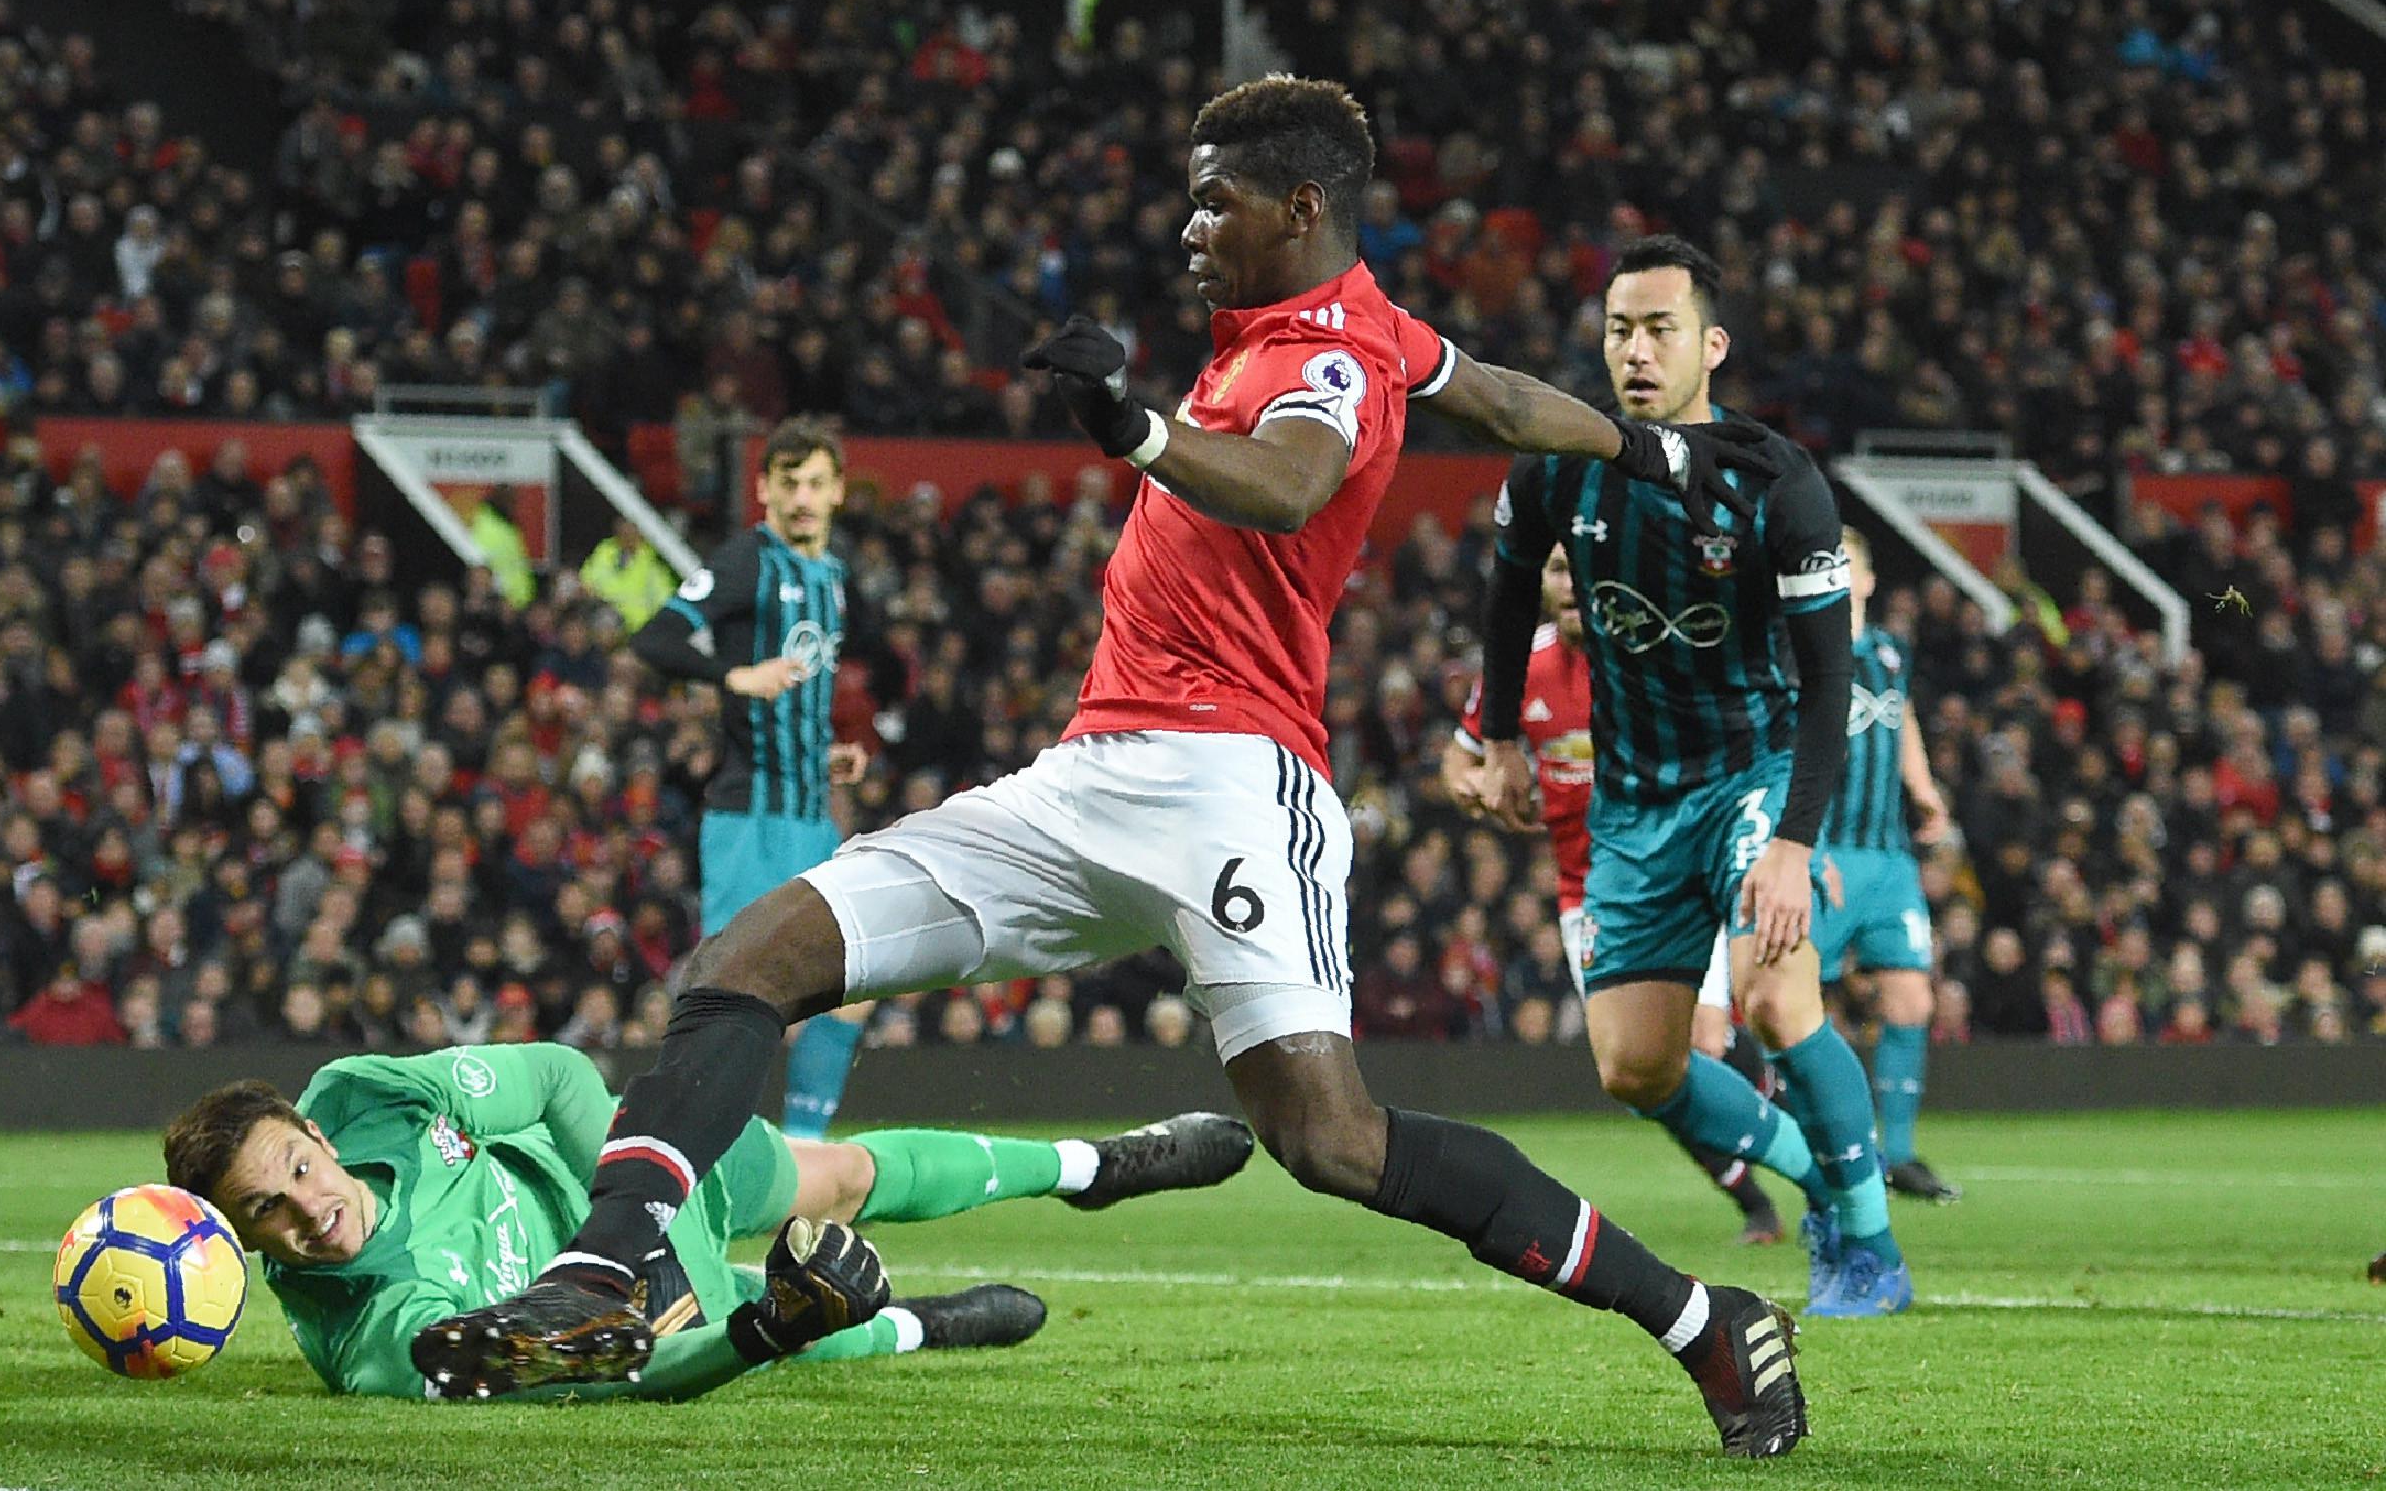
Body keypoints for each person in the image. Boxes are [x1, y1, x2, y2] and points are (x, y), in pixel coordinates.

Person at [414, 76, 1810, 1459]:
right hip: (1087, 773)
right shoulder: (1363, 330)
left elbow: (1290, 485)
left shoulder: (1328, 354)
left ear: (1303, 206)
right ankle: (603, 1274)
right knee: (744, 961)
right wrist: (1645, 444)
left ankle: (1705, 1320)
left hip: (1233, 785)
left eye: (1217, 198)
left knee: (1331, 1141)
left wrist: (1132, 427)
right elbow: (1500, 396)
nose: (1188, 225)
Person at [1466, 235, 1912, 1320]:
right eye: (1619, 328)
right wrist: (1504, 738)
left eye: (1660, 327)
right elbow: (1510, 588)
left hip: (1752, 774)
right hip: (1635, 800)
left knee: (1770, 994)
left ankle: (1869, 1249)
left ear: (1710, 344)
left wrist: (1794, 843)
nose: (1635, 348)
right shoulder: (1555, 467)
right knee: (1635, 1069)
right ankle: (1824, 1173)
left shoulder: (1775, 482)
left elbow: (1826, 677)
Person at [159, 1042, 1256, 1399]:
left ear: (313, 1126)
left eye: (301, 1167)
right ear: (242, 1246)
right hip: (655, 1302)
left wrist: (636, 1208)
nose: (316, 1206)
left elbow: (552, 1076)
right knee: (812, 1308)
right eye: (273, 1211)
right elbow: (617, 1373)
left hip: (634, 1180)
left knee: (838, 1174)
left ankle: (1095, 1164)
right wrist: (755, 1334)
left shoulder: (368, 1094)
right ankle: (927, 1323)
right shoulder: (383, 1334)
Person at [1441, 546, 1788, 1245]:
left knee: (1704, 1039)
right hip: (1586, 894)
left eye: (1580, 569)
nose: (1569, 584)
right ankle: (1757, 1197)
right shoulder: (1518, 670)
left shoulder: (1652, 656)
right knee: (1636, 1074)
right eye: (1557, 571)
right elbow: (1461, 756)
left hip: (1678, 877)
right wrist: (1473, 785)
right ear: (1541, 585)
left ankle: (1803, 1138)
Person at [631, 418, 877, 1140]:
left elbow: (799, 694)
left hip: (810, 814)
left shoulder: (834, 577)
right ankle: (679, 1145)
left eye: (815, 484)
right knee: (734, 998)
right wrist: (731, 674)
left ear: (837, 492)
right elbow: (657, 638)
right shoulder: (746, 561)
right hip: (749, 821)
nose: (802, 498)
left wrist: (822, 753)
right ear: (764, 489)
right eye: (788, 483)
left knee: (856, 985)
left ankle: (802, 1151)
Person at [1818, 528, 1960, 1202]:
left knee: (1911, 997)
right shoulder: (1801, 650)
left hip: (1888, 856)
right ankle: (1826, 1149)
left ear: (1869, 581)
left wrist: (1924, 789)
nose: (1839, 576)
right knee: (1799, 1008)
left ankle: (1897, 1153)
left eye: (1849, 566)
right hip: (1820, 852)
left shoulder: (1889, 653)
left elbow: (1901, 724)